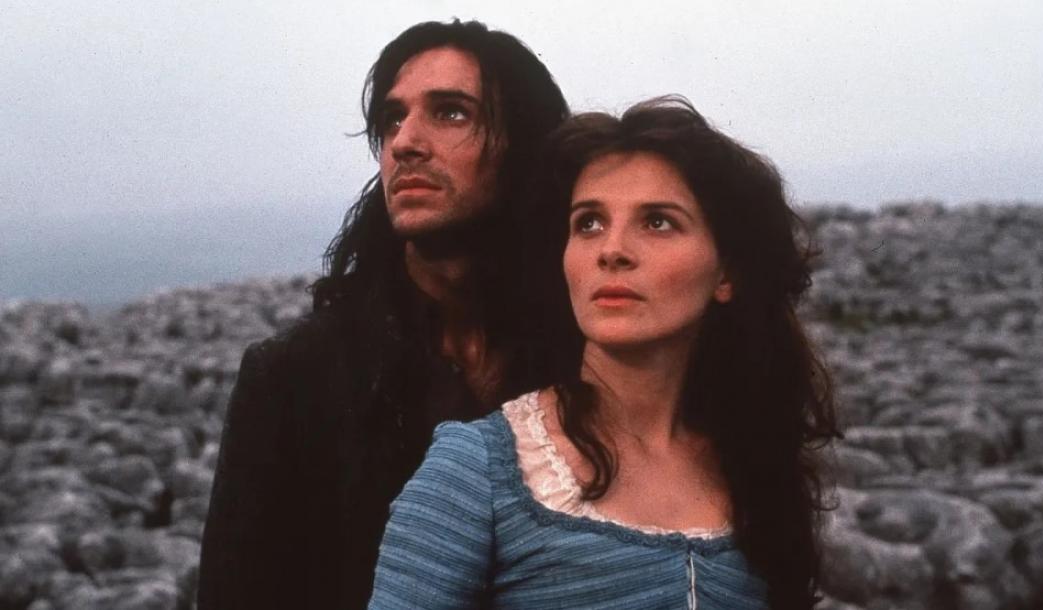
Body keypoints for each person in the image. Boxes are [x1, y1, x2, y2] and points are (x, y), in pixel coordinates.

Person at [368, 97, 841, 610]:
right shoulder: (477, 469)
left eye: (657, 222)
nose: (611, 250)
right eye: (588, 223)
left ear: (726, 272)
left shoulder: (755, 469)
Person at [197, 20, 568, 610]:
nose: (405, 143)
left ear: (523, 143)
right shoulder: (295, 376)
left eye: (450, 113)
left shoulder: (586, 358)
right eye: (394, 119)